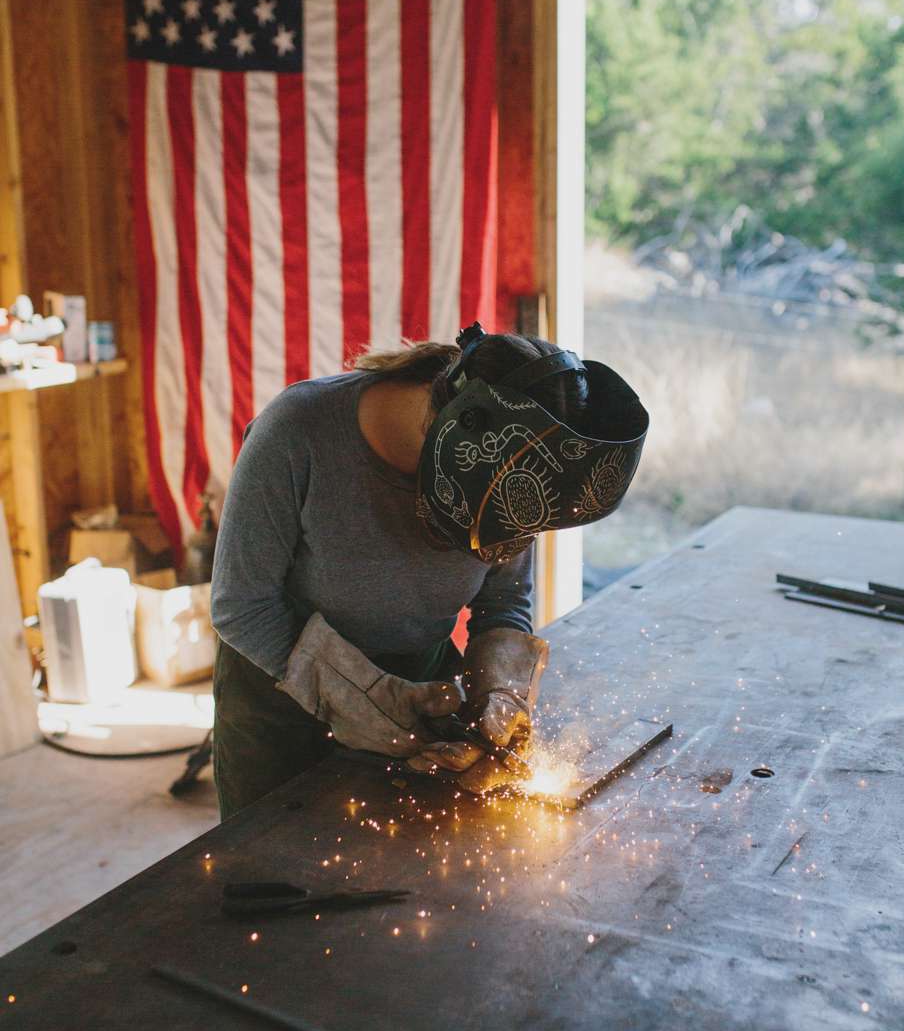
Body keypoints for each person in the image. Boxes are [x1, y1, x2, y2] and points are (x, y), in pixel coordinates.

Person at [210, 323, 649, 819]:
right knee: (269, 874)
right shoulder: (298, 430)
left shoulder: (520, 471)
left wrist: (499, 691)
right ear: (455, 438)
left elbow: (502, 601)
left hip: (427, 692)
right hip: (280, 702)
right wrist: (357, 693)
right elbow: (240, 606)